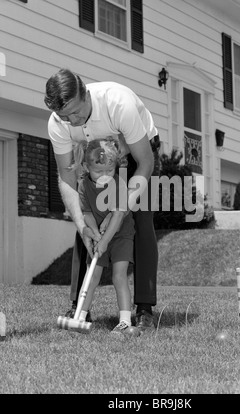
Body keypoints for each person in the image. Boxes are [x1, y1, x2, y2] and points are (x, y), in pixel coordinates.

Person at [44, 68, 160, 332]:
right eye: (64, 116)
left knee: (139, 224)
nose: (71, 121)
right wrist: (82, 224)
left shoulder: (118, 103)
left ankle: (143, 309)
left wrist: (118, 211)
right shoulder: (57, 124)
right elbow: (67, 178)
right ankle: (80, 307)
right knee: (86, 220)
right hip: (94, 159)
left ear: (86, 94)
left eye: (76, 112)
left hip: (136, 156)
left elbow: (145, 163)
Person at [72, 137, 136, 335]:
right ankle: (80, 317)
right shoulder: (83, 186)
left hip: (121, 235)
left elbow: (117, 216)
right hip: (99, 235)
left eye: (109, 170)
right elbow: (87, 214)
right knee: (92, 278)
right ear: (86, 167)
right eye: (98, 172)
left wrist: (106, 240)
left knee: (119, 275)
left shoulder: (119, 184)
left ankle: (125, 321)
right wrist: (95, 236)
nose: (105, 176)